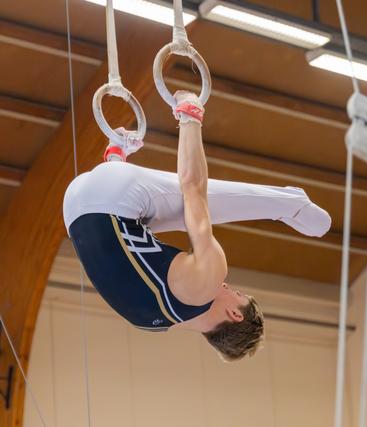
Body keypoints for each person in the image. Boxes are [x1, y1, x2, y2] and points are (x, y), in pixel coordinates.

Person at [63, 91, 331, 361]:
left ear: (234, 315)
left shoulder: (205, 283)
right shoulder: (149, 322)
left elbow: (193, 186)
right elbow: (110, 252)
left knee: (196, 202)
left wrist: (190, 116)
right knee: (156, 226)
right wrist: (116, 161)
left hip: (113, 197)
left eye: (237, 293)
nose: (227, 286)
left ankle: (289, 204)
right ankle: (116, 152)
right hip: (75, 209)